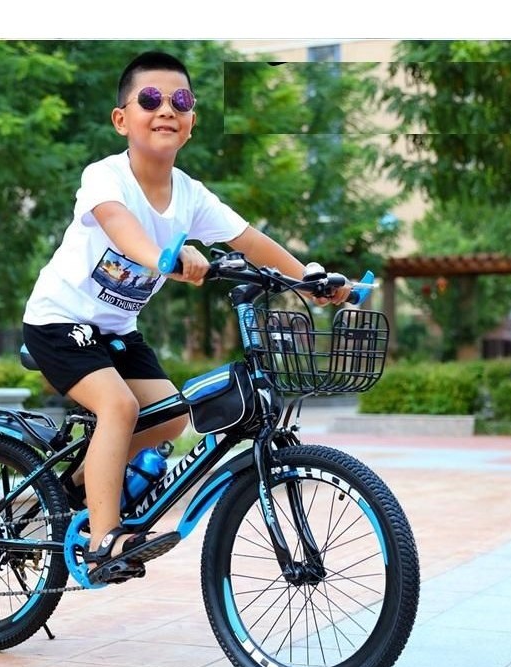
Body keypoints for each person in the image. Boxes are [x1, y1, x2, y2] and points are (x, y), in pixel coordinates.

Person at [22, 50, 349, 586]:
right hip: (59, 322)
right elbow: (121, 227)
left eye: (181, 100)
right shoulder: (106, 177)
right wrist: (165, 258)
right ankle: (103, 540)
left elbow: (248, 240)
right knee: (119, 407)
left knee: (171, 417)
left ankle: (75, 487)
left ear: (192, 121)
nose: (166, 109)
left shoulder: (190, 195)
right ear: (122, 119)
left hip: (115, 331)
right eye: (150, 99)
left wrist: (309, 280)